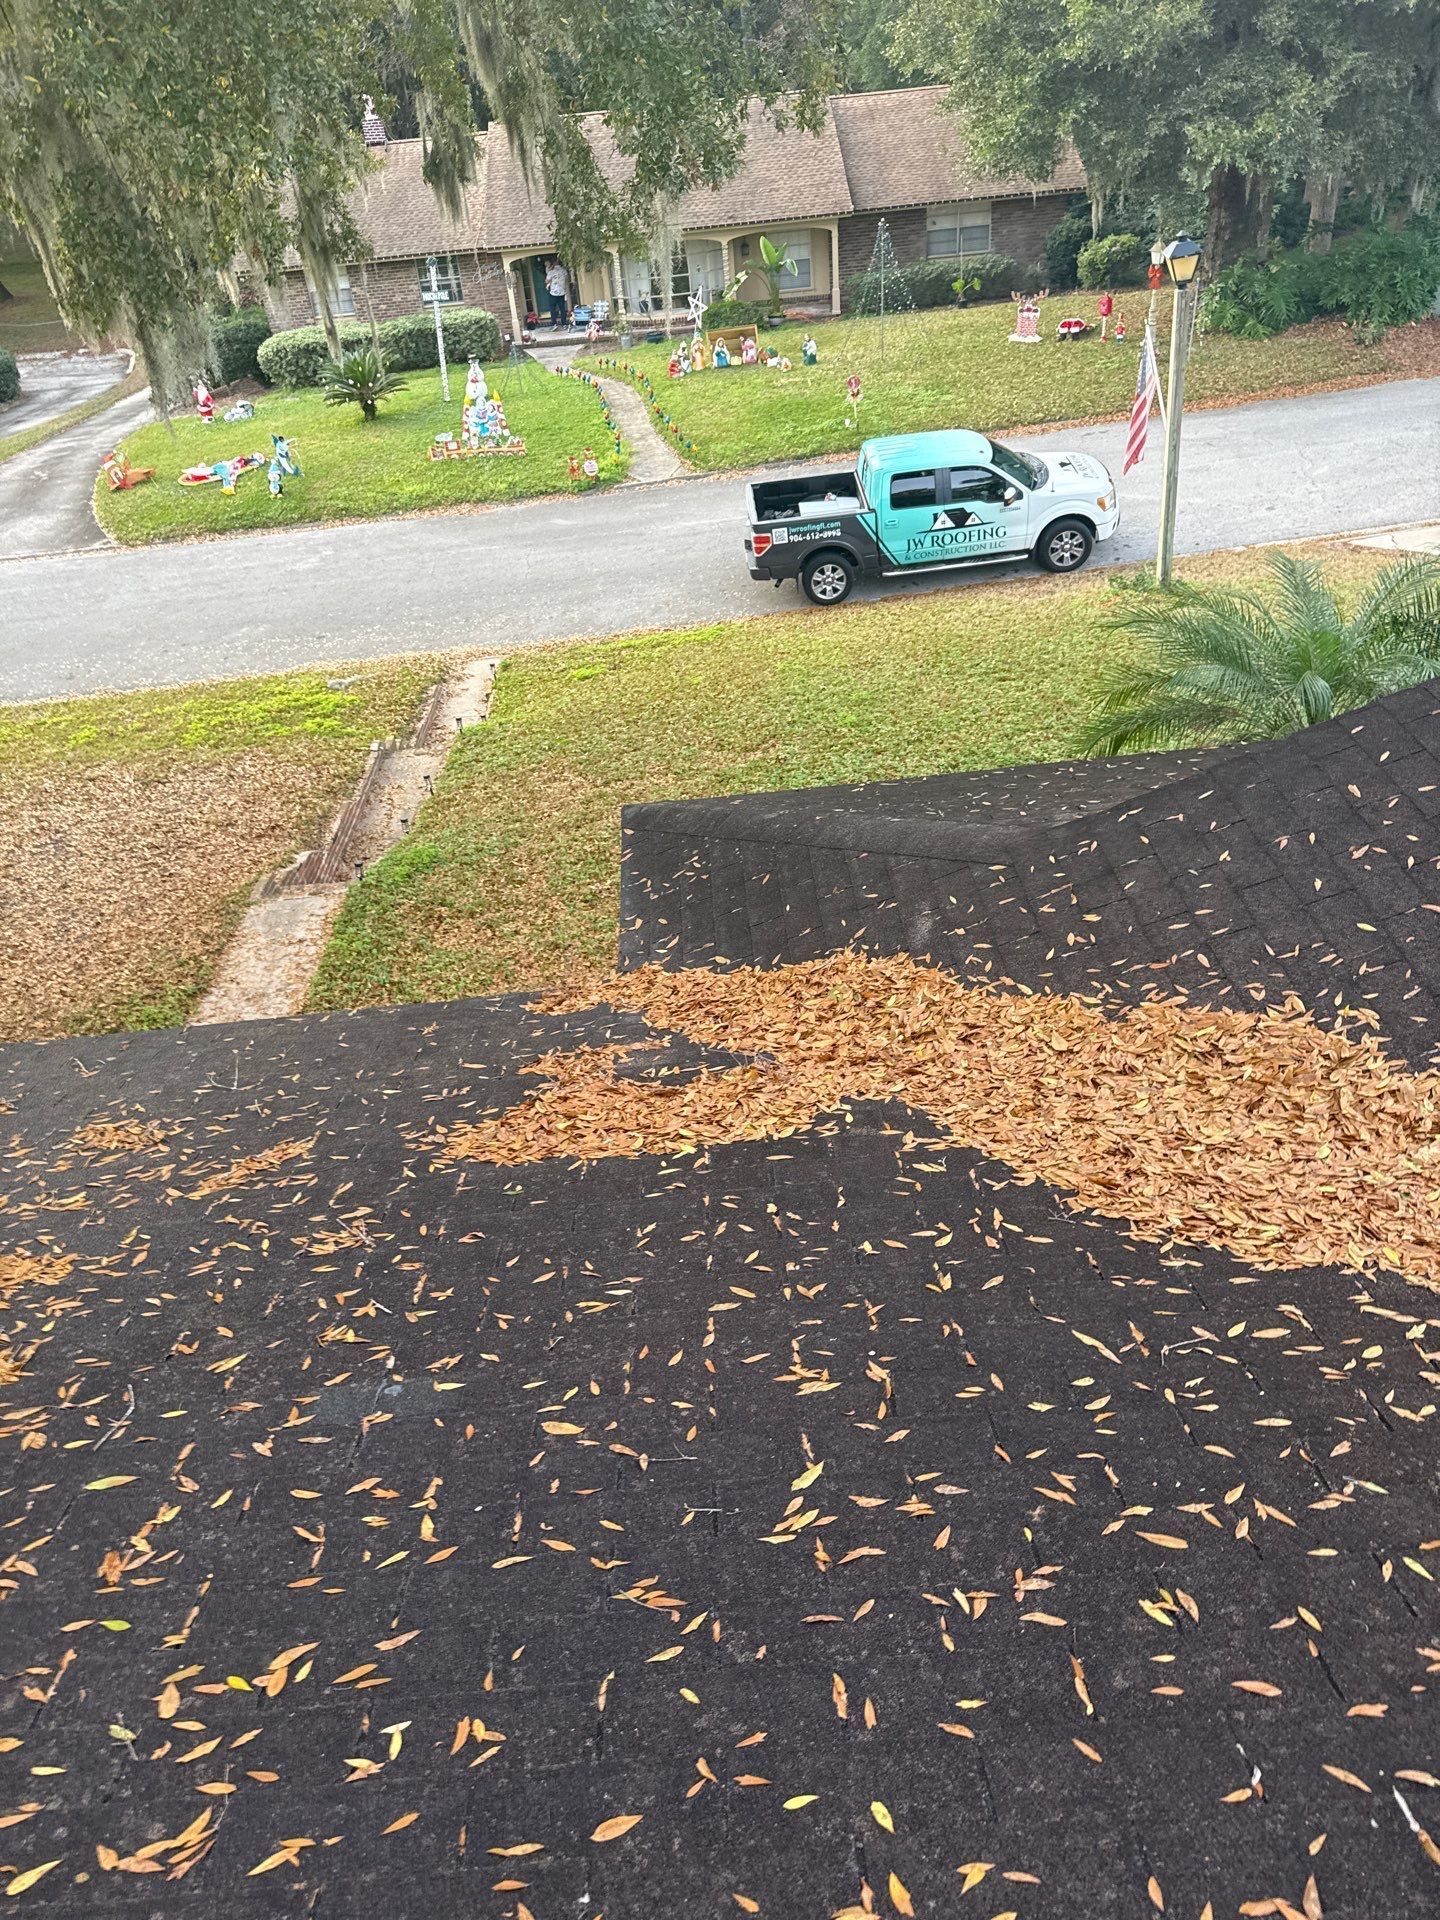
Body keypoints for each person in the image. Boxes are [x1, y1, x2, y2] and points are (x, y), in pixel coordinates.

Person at [544, 261, 570, 329]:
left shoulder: (551, 272)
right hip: (562, 292)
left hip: (553, 293)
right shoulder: (564, 271)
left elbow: (547, 281)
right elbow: (567, 278)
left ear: (554, 264)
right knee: (562, 308)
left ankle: (554, 324)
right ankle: (564, 324)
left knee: (552, 308)